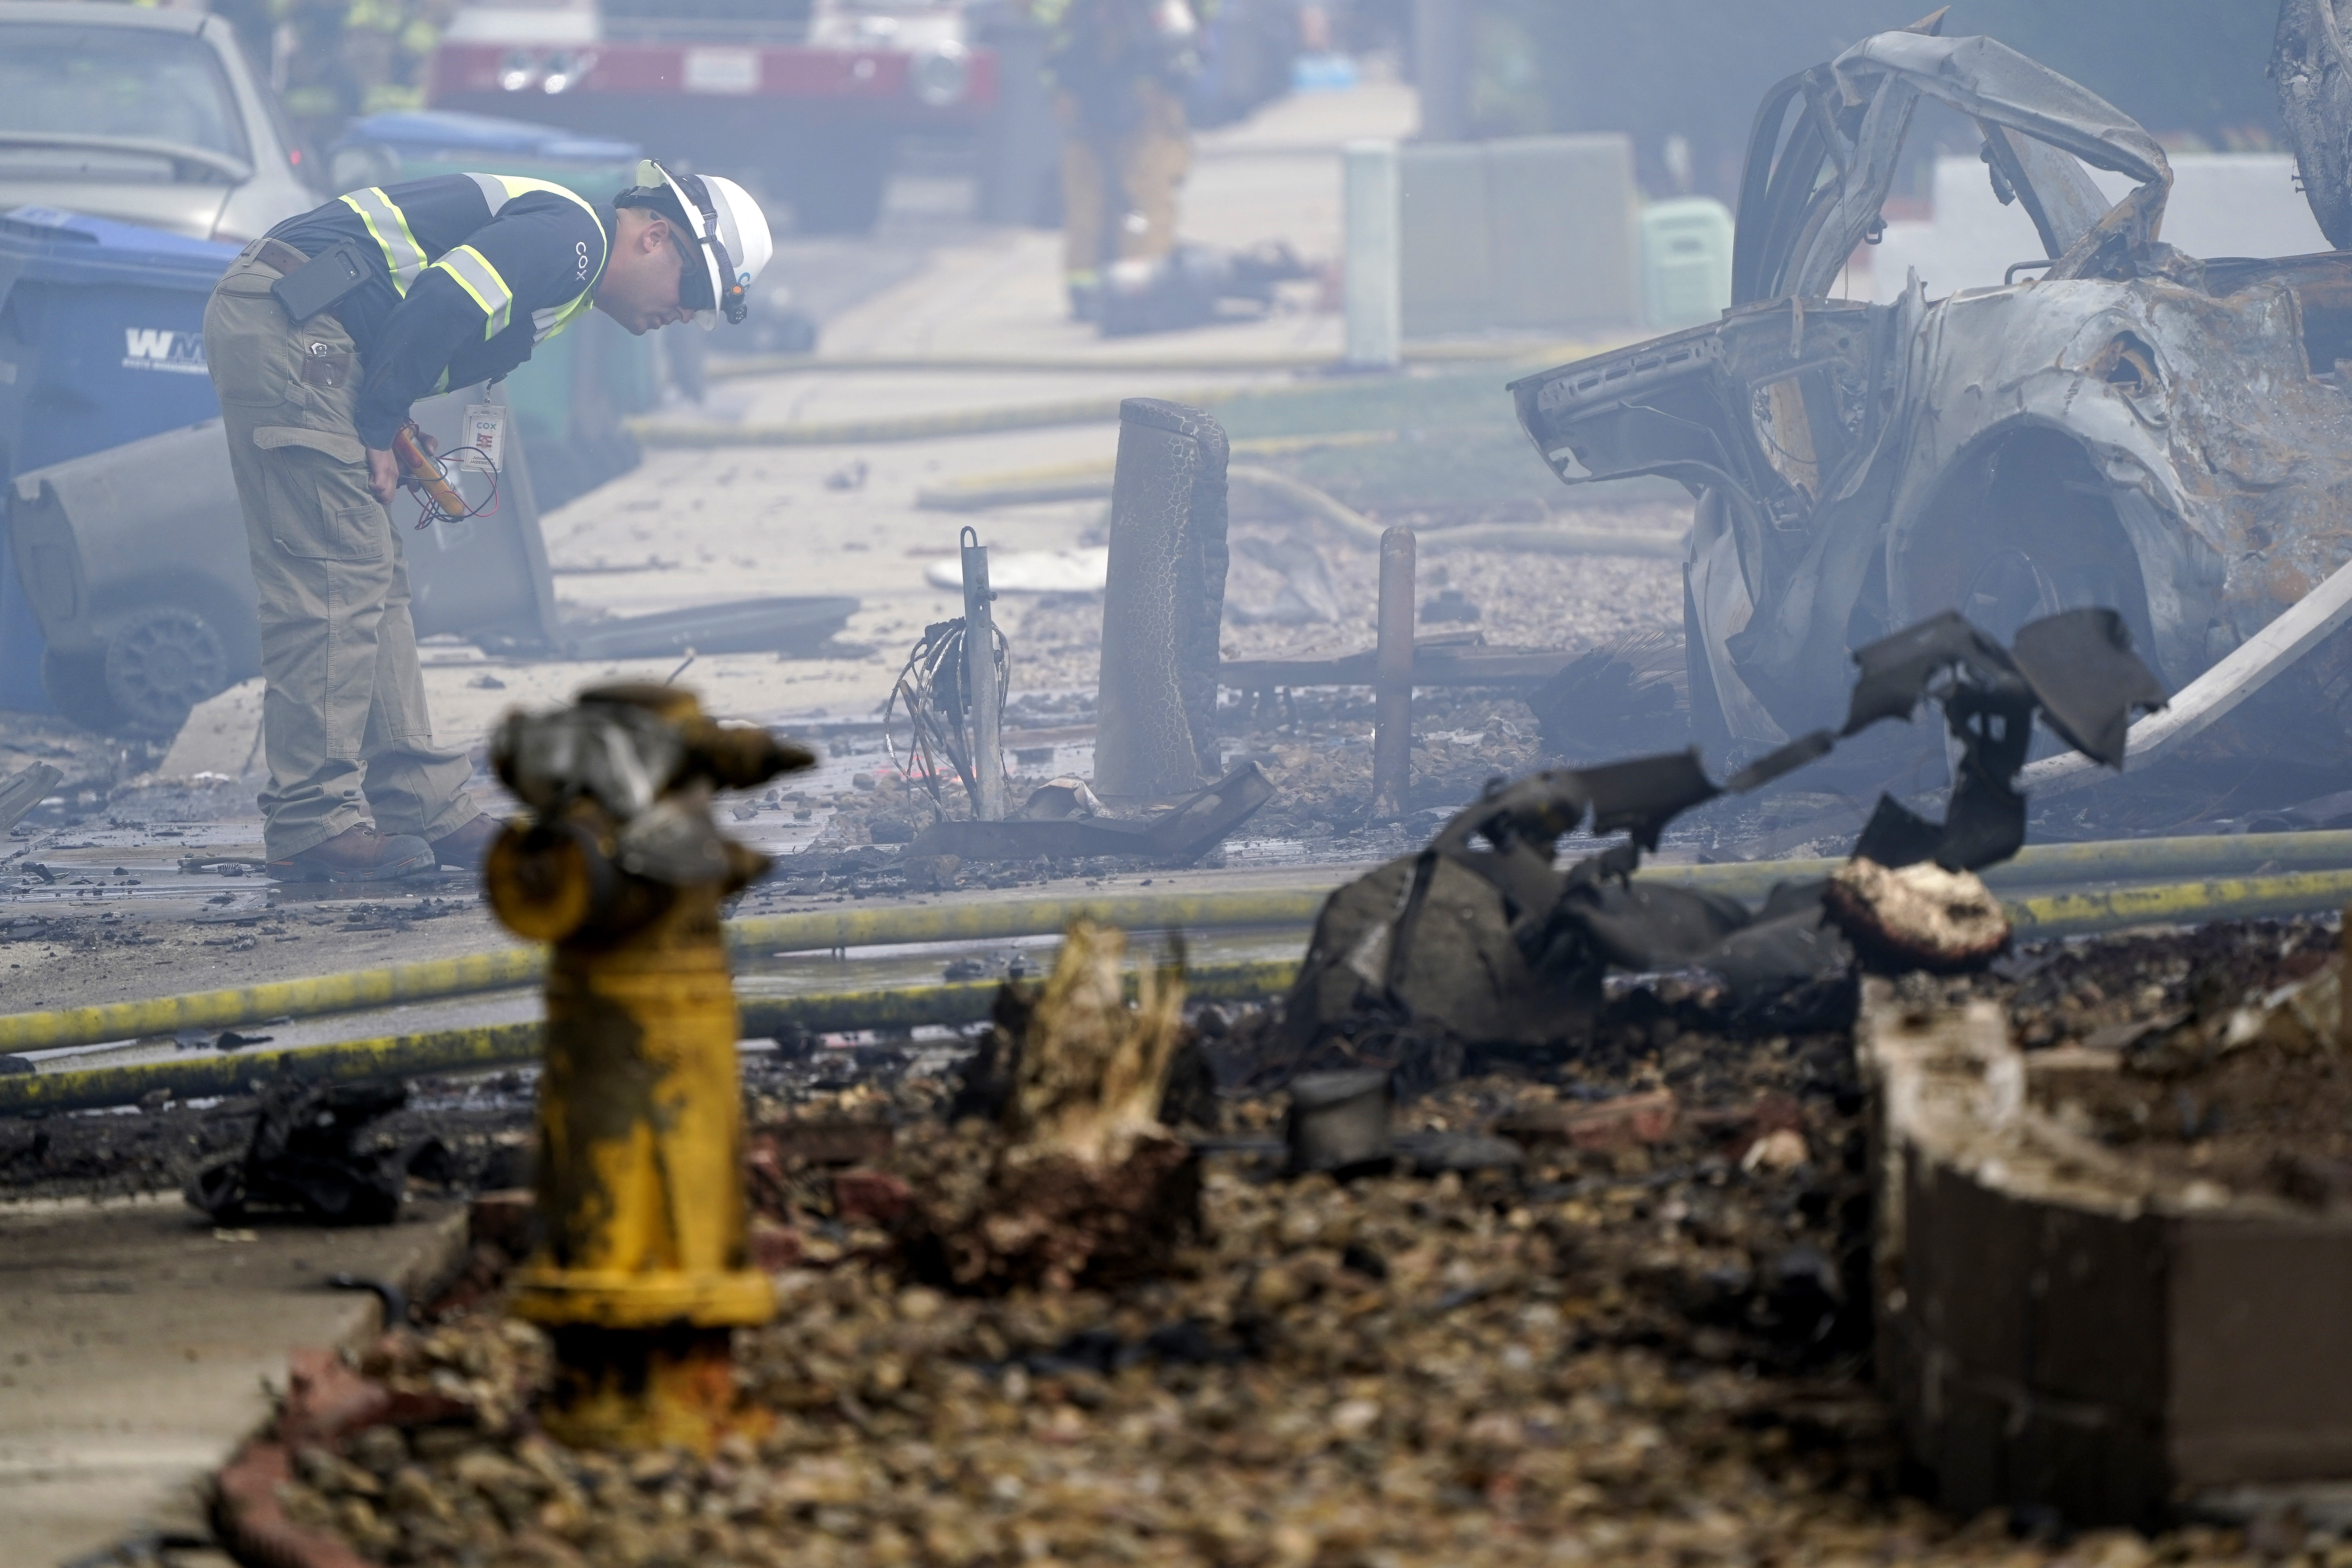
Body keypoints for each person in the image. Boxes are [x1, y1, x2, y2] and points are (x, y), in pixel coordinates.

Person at [203, 162, 773, 881]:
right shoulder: (574, 240)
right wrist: (379, 418)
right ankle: (310, 821)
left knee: (371, 580)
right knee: (333, 578)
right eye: (694, 292)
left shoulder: (570, 258)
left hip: (315, 329)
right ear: (656, 237)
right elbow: (444, 298)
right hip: (294, 323)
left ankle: (423, 804)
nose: (687, 315)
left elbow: (406, 304)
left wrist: (389, 415)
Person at [1035, 0, 1209, 320]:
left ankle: (1107, 289)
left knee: (1113, 196)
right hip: (1120, 86)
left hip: (1099, 85)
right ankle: (1136, 289)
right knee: (1142, 194)